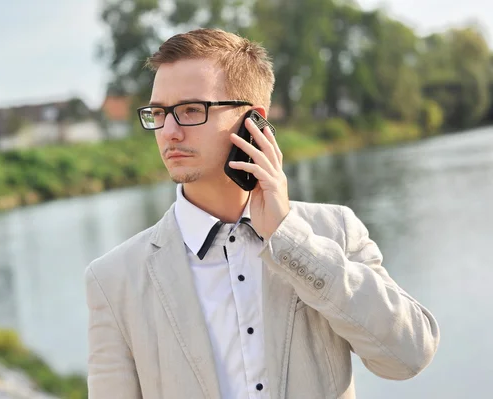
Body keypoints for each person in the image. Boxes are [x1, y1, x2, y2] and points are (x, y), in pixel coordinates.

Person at [84, 28, 440, 399]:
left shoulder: (334, 230)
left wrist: (291, 240)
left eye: (191, 110)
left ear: (253, 122)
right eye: (158, 113)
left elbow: (409, 357)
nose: (169, 132)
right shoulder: (113, 279)